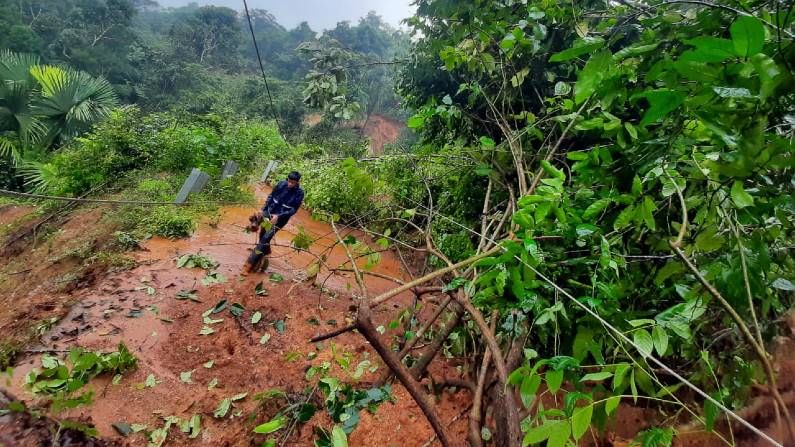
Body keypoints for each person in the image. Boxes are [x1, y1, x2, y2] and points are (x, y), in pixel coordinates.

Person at [243, 171, 304, 274]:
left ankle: (248, 266)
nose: (290, 184)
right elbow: (271, 197)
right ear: (287, 179)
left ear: (297, 182)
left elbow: (293, 210)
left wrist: (279, 216)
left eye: (293, 183)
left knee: (265, 238)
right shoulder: (281, 184)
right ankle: (265, 248)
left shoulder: (299, 193)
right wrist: (263, 209)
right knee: (261, 230)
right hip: (270, 212)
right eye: (289, 181)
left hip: (281, 219)